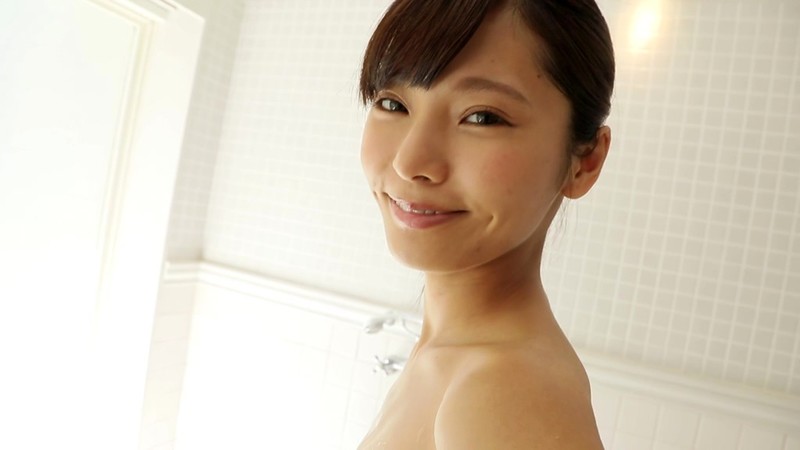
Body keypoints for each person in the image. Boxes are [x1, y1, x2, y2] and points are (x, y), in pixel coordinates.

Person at [357, 0, 613, 448]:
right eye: (393, 103)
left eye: (482, 117)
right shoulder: (453, 358)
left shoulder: (507, 392)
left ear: (585, 161)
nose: (409, 162)